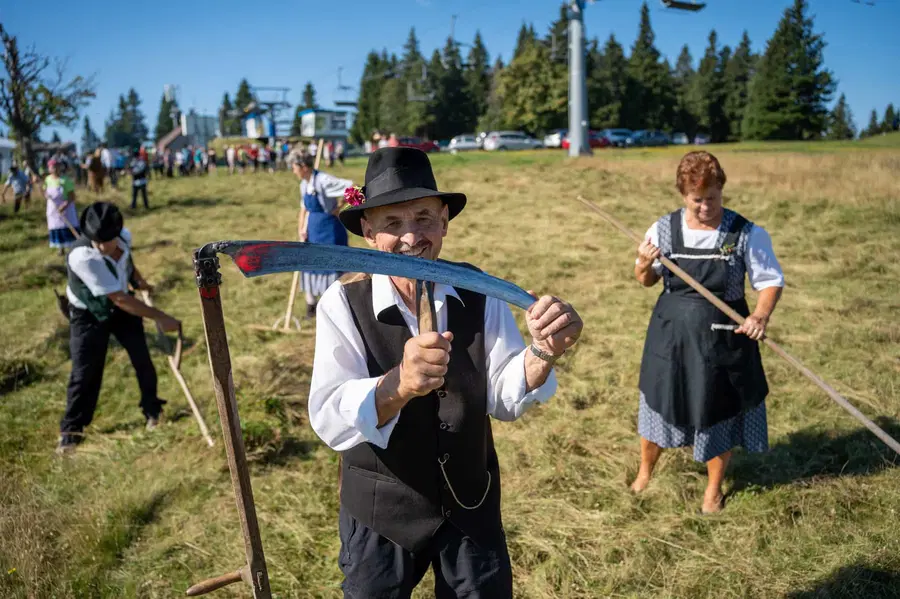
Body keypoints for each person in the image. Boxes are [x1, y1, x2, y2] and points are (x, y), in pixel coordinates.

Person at [308, 147, 584, 598]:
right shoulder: (342, 303)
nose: (411, 237)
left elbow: (503, 396)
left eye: (423, 218)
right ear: (368, 231)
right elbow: (329, 417)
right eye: (393, 224)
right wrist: (397, 385)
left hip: (469, 504)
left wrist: (542, 351)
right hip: (382, 513)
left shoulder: (480, 289)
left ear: (444, 222)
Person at [630, 151, 785, 514]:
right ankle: (645, 471)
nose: (705, 207)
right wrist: (641, 262)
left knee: (717, 412)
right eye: (696, 200)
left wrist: (760, 316)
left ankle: (713, 490)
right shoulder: (663, 229)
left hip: (724, 341)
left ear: (721, 189)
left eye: (712, 198)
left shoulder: (746, 233)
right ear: (683, 195)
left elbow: (770, 282)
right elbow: (645, 280)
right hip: (669, 340)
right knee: (658, 407)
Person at [57, 202, 180, 455]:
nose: (102, 246)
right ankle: (71, 431)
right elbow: (120, 299)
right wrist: (160, 316)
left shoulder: (124, 237)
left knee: (142, 359)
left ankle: (153, 410)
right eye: (96, 240)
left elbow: (127, 263)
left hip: (122, 309)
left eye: (107, 240)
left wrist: (139, 281)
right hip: (89, 314)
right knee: (85, 372)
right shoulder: (83, 257)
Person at [292, 154, 354, 317]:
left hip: (330, 231)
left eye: (294, 167)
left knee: (331, 266)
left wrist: (340, 207)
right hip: (312, 230)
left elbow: (354, 187)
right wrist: (301, 229)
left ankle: (337, 307)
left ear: (304, 167)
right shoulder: (304, 185)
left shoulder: (324, 181)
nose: (293, 171)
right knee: (310, 265)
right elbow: (304, 209)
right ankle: (311, 306)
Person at [40, 159, 80, 255]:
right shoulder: (47, 179)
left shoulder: (65, 180)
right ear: (49, 168)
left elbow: (72, 196)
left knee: (67, 228)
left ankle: (72, 249)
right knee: (56, 227)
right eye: (53, 167)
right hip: (53, 209)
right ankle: (60, 249)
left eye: (57, 167)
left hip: (66, 208)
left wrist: (64, 205)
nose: (56, 169)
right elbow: (44, 192)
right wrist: (42, 191)